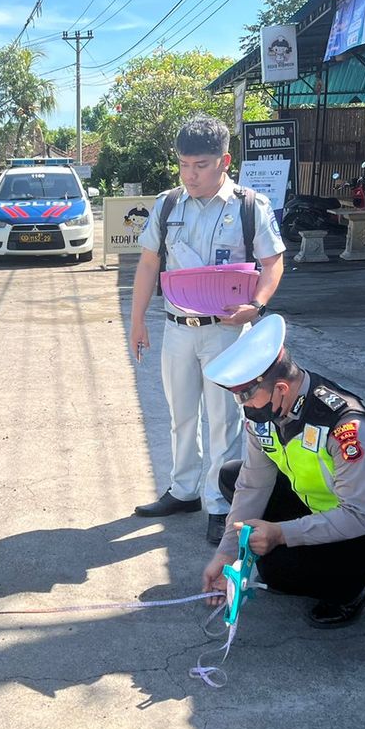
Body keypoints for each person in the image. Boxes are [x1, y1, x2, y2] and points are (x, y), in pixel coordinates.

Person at [129, 115, 287, 545]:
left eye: (200, 165)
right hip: (177, 330)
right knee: (180, 414)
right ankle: (183, 490)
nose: (190, 174)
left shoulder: (249, 206)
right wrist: (138, 320)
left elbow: (273, 262)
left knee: (224, 420)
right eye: (183, 165)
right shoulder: (168, 205)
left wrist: (257, 305)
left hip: (227, 332)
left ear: (224, 161)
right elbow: (148, 263)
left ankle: (220, 503)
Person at [200, 315, 365, 628]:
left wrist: (281, 534)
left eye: (246, 396)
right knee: (232, 477)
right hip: (322, 505)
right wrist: (226, 553)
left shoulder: (346, 426)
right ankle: (311, 562)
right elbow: (253, 484)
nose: (243, 406)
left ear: (281, 388)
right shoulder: (266, 413)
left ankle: (354, 589)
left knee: (281, 569)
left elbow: (358, 515)